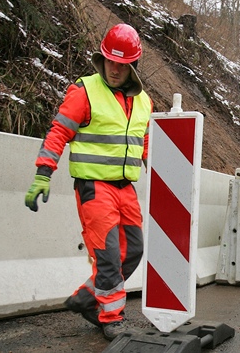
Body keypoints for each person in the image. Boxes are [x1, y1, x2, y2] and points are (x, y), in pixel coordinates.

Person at [24, 23, 153, 341]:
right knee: (108, 255)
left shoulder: (144, 102)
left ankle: (86, 297)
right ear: (102, 58)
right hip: (94, 188)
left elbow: (145, 142)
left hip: (126, 188)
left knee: (133, 251)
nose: (114, 69)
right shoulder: (85, 90)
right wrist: (44, 172)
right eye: (110, 61)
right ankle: (112, 317)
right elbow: (59, 131)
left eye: (122, 64)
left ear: (132, 66)